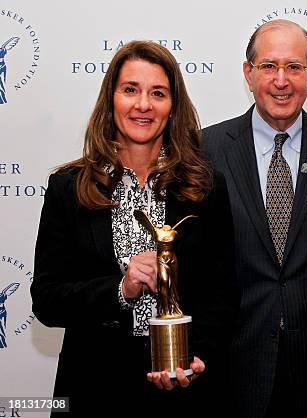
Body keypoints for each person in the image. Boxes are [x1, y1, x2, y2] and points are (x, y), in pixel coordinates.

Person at [31, 40, 238, 416]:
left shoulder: (204, 186)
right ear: (111, 99)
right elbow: (47, 300)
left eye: (157, 93)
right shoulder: (70, 187)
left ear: (173, 106)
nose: (143, 105)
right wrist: (121, 289)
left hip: (187, 389)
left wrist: (197, 357)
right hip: (96, 386)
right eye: (131, 90)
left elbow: (222, 295)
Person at [202, 19, 307, 418]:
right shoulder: (206, 149)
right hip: (231, 363)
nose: (281, 80)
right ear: (248, 73)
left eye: (294, 67)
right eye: (268, 66)